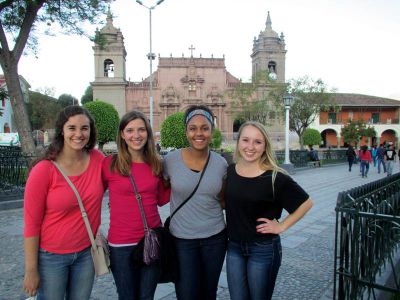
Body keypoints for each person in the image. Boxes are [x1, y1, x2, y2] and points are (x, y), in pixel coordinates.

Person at [23, 106, 105, 299]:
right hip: (51, 257)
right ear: (62, 130)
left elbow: (122, 181)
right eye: (72, 128)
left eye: (84, 128)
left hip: (87, 253)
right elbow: (31, 224)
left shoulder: (98, 160)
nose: (78, 134)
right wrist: (31, 270)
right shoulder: (44, 170)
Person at [224, 121, 313, 300]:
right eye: (245, 140)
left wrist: (281, 226)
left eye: (258, 142)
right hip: (234, 247)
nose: (250, 147)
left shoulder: (275, 176)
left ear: (265, 146)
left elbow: (306, 203)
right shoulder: (230, 171)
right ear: (238, 142)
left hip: (263, 249)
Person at [102, 110, 170, 300]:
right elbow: (92, 193)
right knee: (127, 296)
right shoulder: (109, 164)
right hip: (121, 245)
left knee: (147, 296)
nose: (136, 135)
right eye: (130, 130)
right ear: (122, 134)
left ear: (147, 133)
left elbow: (162, 199)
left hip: (152, 241)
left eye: (141, 130)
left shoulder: (156, 164)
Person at [163, 105, 228, 300]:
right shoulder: (170, 161)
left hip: (215, 238)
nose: (198, 133)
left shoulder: (221, 164)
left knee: (209, 293)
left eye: (204, 128)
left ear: (212, 130)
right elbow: (155, 188)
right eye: (193, 128)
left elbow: (223, 200)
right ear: (186, 131)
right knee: (186, 293)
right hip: (182, 240)